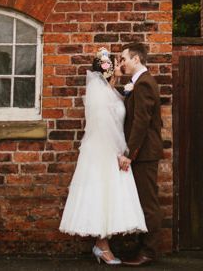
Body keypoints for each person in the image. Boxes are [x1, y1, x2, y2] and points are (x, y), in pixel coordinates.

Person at [59, 48, 146, 265]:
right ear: (108, 70)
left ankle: (102, 244)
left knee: (109, 198)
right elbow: (104, 127)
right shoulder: (98, 93)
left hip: (111, 150)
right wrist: (121, 152)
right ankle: (102, 245)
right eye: (116, 64)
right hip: (103, 151)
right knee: (102, 196)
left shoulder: (112, 91)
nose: (120, 66)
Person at [117, 43, 163, 267]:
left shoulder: (144, 84)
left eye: (124, 58)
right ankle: (143, 246)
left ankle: (150, 251)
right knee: (142, 201)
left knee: (148, 203)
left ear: (136, 59)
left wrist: (129, 153)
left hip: (143, 153)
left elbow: (141, 123)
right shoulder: (139, 83)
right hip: (142, 153)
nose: (121, 62)